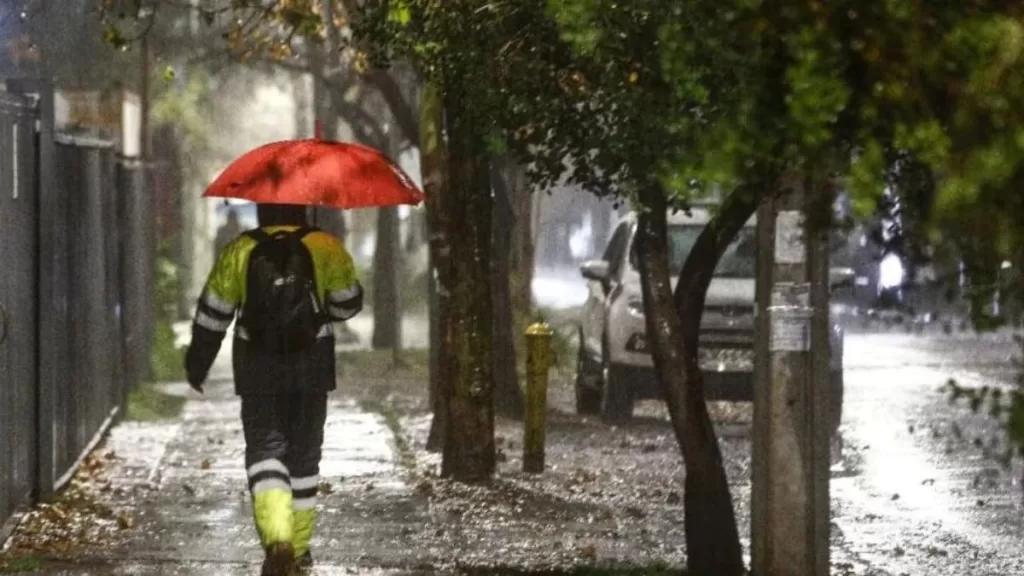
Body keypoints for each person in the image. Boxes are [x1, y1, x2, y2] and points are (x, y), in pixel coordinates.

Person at [184, 203, 363, 576]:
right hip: (312, 367)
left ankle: (276, 539)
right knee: (304, 457)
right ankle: (296, 551)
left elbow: (213, 313)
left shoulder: (241, 249)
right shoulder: (324, 245)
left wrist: (197, 364)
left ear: (262, 208)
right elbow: (348, 304)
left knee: (266, 449)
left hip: (257, 367)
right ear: (301, 207)